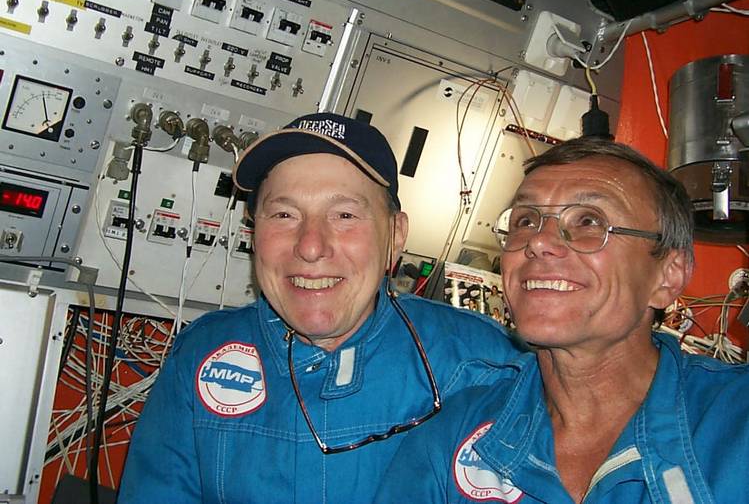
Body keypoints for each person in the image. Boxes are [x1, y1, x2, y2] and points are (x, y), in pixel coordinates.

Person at [118, 112, 522, 503]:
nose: (311, 246)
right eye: (284, 214)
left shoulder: (484, 366)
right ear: (253, 232)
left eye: (344, 215)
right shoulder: (201, 353)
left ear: (395, 235)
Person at [375, 138, 749, 503]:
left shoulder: (735, 423)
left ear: (668, 275)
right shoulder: (455, 433)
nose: (538, 241)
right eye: (525, 220)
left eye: (589, 221)